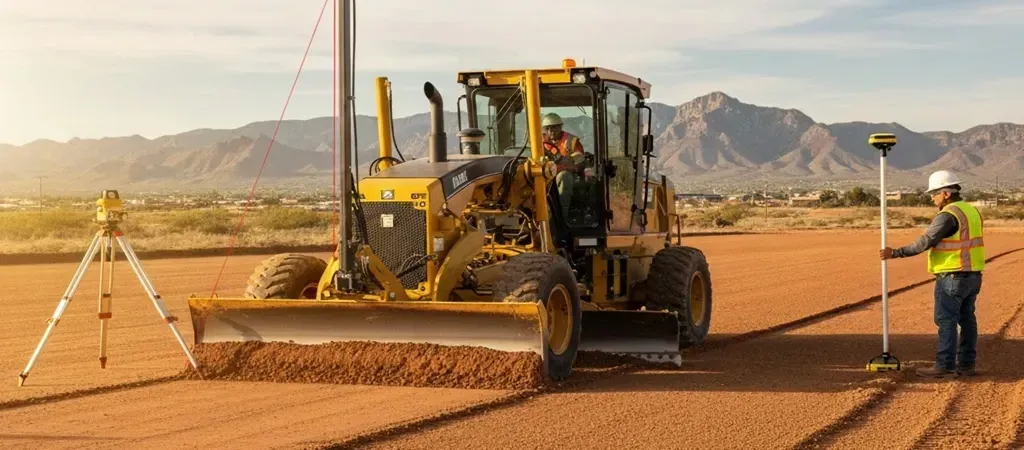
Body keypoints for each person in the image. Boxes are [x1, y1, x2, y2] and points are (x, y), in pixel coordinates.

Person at [881, 170, 984, 378]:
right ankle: (966, 365)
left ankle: (944, 365)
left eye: (934, 193)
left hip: (952, 276)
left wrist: (896, 253)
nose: (931, 197)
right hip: (972, 274)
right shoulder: (971, 211)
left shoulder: (948, 215)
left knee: (946, 320)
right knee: (967, 320)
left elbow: (925, 242)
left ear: (946, 193)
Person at [541, 113, 591, 219]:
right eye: (547, 128)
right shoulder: (540, 142)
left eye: (554, 127)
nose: (550, 131)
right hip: (544, 174)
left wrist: (567, 163)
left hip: (565, 174)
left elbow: (579, 161)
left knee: (564, 177)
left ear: (560, 126)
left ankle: (561, 217)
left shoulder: (571, 141)